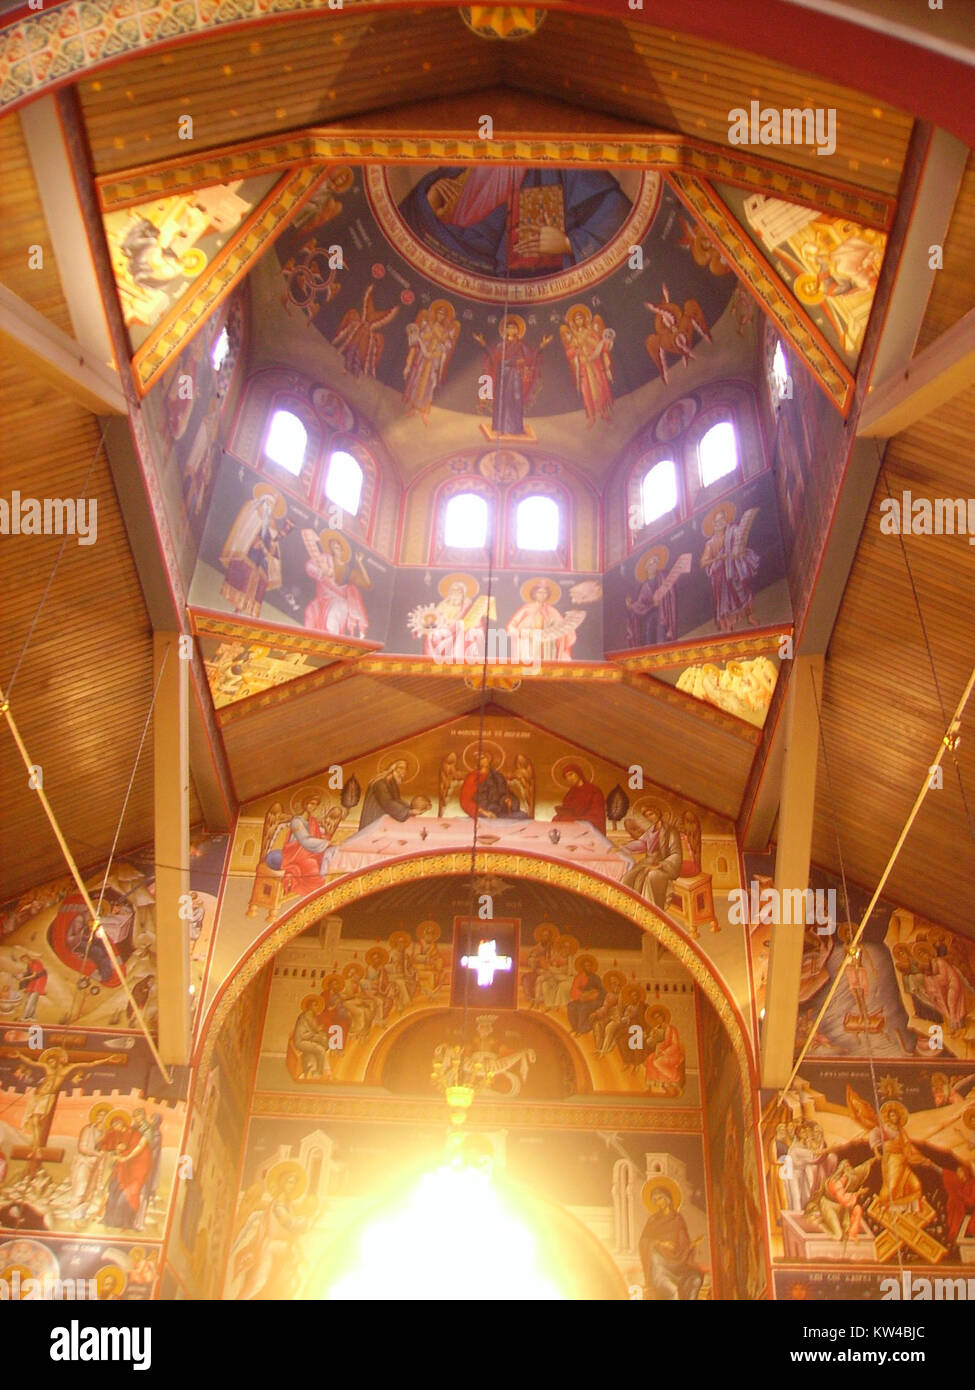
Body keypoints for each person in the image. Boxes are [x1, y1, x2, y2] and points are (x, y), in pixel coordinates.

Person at [397, 167, 632, 279]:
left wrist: (570, 243)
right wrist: (428, 207)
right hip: (478, 285)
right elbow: (416, 232)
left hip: (531, 282)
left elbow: (617, 214)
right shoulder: (465, 168)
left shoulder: (563, 164)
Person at [473, 316, 551, 436]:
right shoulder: (501, 346)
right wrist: (483, 344)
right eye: (509, 327)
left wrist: (541, 346)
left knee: (515, 400)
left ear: (518, 330)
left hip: (515, 377)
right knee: (502, 401)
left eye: (514, 328)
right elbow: (493, 357)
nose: (511, 330)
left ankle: (515, 428)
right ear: (505, 330)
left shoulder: (521, 345)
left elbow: (530, 358)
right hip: (502, 376)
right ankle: (500, 428)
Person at [219, 489, 283, 618]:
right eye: (268, 502)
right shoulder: (254, 513)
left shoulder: (273, 524)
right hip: (250, 552)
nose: (270, 507)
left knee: (257, 583)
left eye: (273, 505)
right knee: (245, 576)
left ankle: (248, 609)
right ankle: (238, 606)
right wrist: (254, 540)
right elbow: (246, 531)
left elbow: (274, 549)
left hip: (263, 559)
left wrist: (270, 547)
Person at [638, 1180, 702, 1300]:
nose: (658, 1202)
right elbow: (643, 1242)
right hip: (660, 1268)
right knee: (673, 1291)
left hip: (679, 1264)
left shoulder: (677, 1220)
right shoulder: (653, 1221)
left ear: (667, 1198)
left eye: (660, 1198)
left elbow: (683, 1244)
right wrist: (660, 1244)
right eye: (655, 1199)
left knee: (696, 1278)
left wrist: (692, 1245)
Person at [622, 808, 684, 909]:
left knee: (652, 876)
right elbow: (642, 844)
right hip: (649, 861)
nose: (649, 818)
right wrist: (623, 848)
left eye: (651, 814)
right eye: (646, 816)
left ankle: (652, 910)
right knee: (629, 876)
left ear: (658, 813)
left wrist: (659, 865)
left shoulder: (670, 831)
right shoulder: (651, 831)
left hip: (664, 865)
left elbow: (676, 854)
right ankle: (630, 908)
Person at [359, 759, 430, 829]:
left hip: (383, 820)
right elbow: (387, 803)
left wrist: (411, 808)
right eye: (401, 768)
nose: (404, 772)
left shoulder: (392, 783)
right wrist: (408, 812)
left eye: (406, 769)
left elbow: (397, 800)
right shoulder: (380, 783)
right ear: (393, 768)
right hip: (374, 820)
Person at [459, 753, 528, 819]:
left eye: (484, 757)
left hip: (500, 812)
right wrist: (484, 812)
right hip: (481, 814)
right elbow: (465, 802)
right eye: (478, 758)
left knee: (523, 816)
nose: (481, 760)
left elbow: (506, 793)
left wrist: (509, 801)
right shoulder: (472, 778)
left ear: (489, 759)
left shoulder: (498, 776)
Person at [552, 764, 606, 834]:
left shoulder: (593, 790)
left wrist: (575, 818)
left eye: (571, 774)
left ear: (578, 773)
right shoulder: (571, 792)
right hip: (574, 819)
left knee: (566, 820)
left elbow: (597, 816)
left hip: (590, 821)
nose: (569, 778)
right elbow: (567, 808)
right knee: (556, 819)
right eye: (566, 777)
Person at [292, 997, 333, 1078]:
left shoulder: (310, 1015)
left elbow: (314, 1031)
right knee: (320, 1049)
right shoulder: (307, 1014)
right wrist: (319, 1031)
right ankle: (319, 1073)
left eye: (317, 1005)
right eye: (315, 1005)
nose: (317, 1008)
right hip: (301, 1041)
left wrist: (319, 1033)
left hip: (307, 1038)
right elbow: (312, 1031)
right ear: (310, 1006)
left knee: (319, 1043)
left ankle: (311, 1069)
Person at [566, 956, 605, 1035]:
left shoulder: (595, 978)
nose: (588, 967)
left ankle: (582, 1030)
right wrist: (581, 995)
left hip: (594, 1000)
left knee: (583, 1009)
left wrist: (594, 994)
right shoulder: (580, 977)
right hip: (583, 999)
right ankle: (575, 1027)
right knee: (571, 1006)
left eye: (589, 966)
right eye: (586, 966)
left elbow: (602, 991)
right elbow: (574, 989)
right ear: (583, 967)